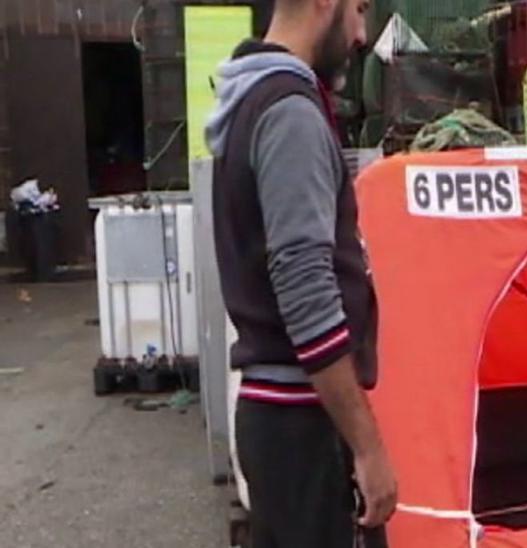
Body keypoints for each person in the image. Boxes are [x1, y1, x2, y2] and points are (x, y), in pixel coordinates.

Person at [204, 0, 395, 546]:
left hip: (282, 418)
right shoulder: (289, 113)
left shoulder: (255, 100)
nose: (361, 34)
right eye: (359, 10)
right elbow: (306, 289)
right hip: (301, 427)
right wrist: (368, 448)